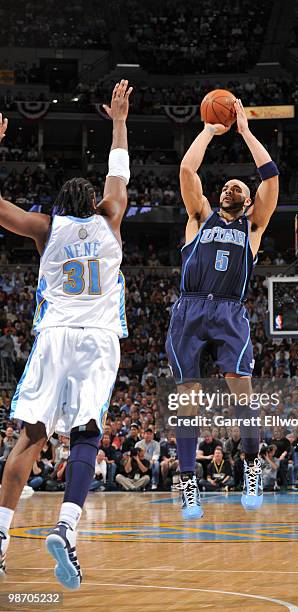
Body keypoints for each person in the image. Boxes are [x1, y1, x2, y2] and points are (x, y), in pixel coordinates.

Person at [0, 79, 132, 589]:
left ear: (58, 205)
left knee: (30, 439)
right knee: (87, 434)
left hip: (53, 338)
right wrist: (118, 119)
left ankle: (1, 540)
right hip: (97, 340)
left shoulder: (43, 228)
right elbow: (118, 171)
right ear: (95, 203)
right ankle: (66, 529)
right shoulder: (112, 218)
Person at [166, 99, 279, 518]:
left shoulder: (253, 227)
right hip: (190, 311)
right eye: (228, 185)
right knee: (189, 399)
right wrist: (210, 131)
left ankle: (251, 464)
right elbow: (187, 171)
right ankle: (189, 481)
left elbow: (270, 176)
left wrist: (246, 132)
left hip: (230, 313)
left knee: (242, 395)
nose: (232, 188)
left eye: (240, 188)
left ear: (249, 202)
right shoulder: (200, 217)